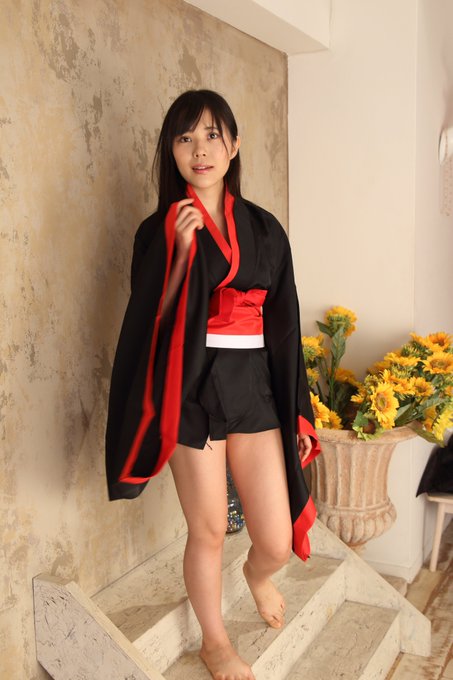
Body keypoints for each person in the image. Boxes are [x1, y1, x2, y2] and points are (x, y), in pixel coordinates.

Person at [105, 89, 321, 680]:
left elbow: (285, 324)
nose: (199, 150)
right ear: (171, 151)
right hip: (191, 385)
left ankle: (257, 575)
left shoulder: (266, 230)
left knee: (274, 540)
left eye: (211, 135)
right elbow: (149, 321)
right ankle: (215, 642)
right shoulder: (157, 229)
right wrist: (178, 254)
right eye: (185, 138)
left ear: (234, 145)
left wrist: (297, 410)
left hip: (253, 386)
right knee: (207, 529)